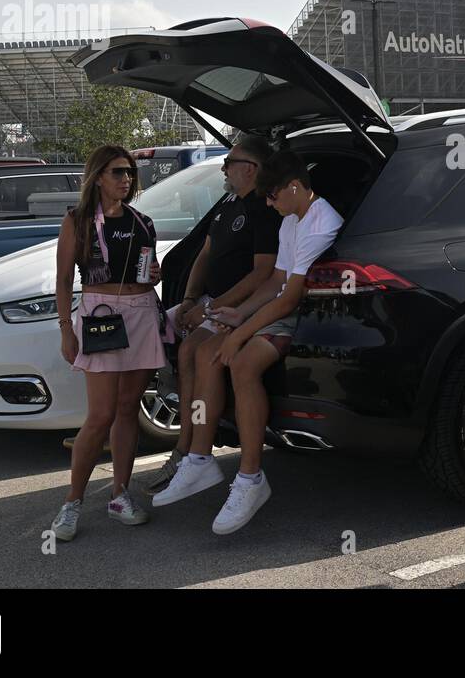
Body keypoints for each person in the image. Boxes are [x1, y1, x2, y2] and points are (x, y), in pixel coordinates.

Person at [152, 150, 343, 534]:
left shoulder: (321, 223)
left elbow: (289, 297)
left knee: (239, 362)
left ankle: (250, 478)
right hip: (277, 309)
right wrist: (238, 315)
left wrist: (240, 331)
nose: (268, 204)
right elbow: (274, 281)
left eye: (272, 196)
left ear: (293, 187)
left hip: (302, 316)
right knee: (206, 353)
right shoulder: (292, 219)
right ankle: (199, 458)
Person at [142, 134, 279, 495]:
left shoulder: (264, 209)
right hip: (209, 302)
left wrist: (211, 307)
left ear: (249, 169)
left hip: (235, 308)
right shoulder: (229, 203)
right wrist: (189, 299)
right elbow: (205, 252)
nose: (223, 166)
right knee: (170, 344)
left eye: (229, 161)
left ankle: (193, 450)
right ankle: (187, 446)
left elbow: (263, 274)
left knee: (198, 353)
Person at [50, 145, 167, 541]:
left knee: (127, 409)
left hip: (140, 311)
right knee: (99, 415)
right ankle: (72, 502)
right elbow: (64, 279)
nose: (126, 179)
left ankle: (119, 494)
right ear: (98, 175)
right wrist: (66, 329)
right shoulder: (78, 220)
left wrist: (153, 273)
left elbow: (147, 273)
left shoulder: (142, 221)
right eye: (118, 172)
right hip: (101, 313)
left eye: (130, 173)